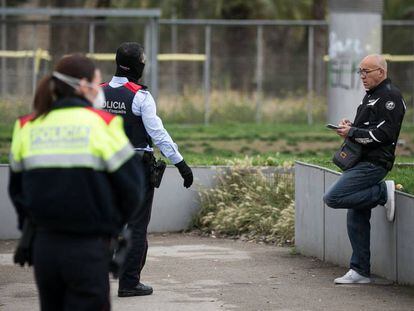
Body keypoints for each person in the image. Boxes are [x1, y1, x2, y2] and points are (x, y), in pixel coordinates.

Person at [8, 54, 144, 310]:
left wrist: (32, 227)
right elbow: (133, 189)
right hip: (88, 247)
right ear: (83, 85)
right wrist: (111, 225)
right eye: (96, 82)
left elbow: (17, 192)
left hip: (44, 248)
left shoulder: (26, 126)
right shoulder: (103, 124)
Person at [101, 42, 194, 297]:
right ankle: (129, 282)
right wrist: (181, 164)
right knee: (136, 226)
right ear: (138, 66)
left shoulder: (97, 93)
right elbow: (159, 135)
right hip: (134, 169)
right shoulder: (140, 96)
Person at [323, 54, 406, 284]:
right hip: (360, 161)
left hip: (374, 164)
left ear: (381, 72)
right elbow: (366, 129)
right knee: (357, 215)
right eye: (360, 71)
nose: (362, 77)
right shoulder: (371, 97)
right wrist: (351, 127)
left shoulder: (391, 97)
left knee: (334, 197)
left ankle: (382, 192)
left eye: (366, 72)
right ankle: (359, 270)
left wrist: (353, 133)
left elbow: (383, 135)